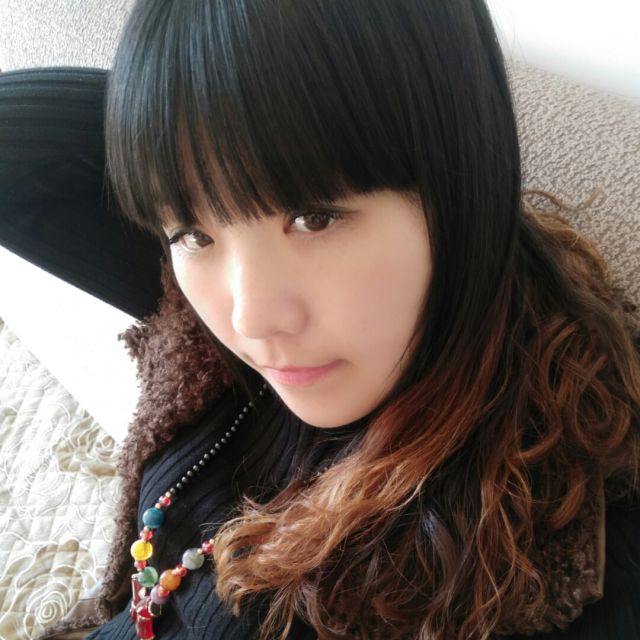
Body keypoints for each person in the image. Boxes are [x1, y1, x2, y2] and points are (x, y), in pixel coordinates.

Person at [1, 1, 639, 638]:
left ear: (465, 185)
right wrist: (178, 110)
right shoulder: (201, 321)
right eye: (192, 231)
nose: (250, 319)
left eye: (314, 217)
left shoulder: (558, 556)